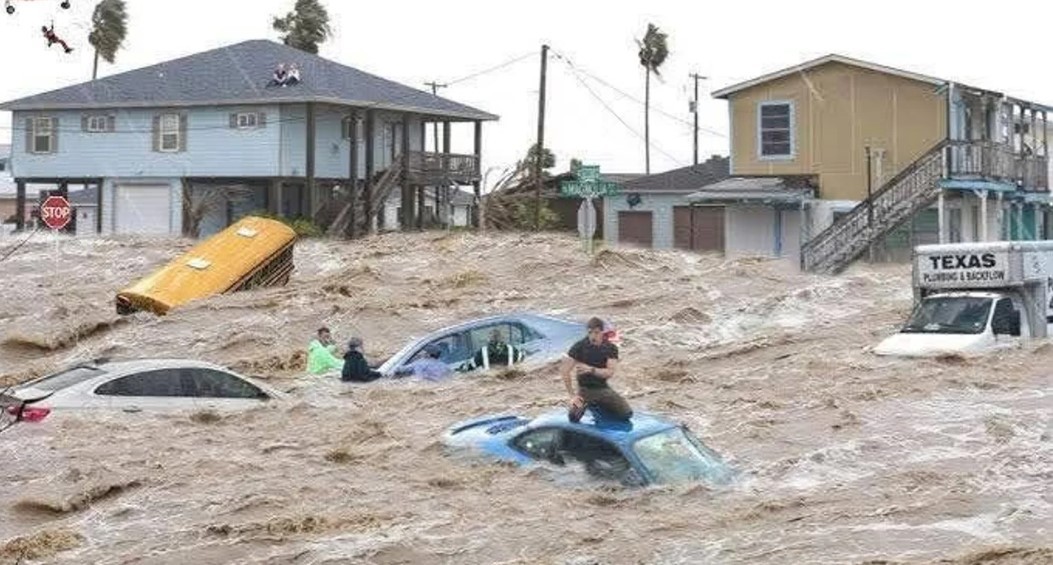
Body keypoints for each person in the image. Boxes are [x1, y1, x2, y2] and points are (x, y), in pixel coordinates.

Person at [560, 317, 632, 422]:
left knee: (626, 413)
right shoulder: (579, 347)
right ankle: (588, 405)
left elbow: (609, 372)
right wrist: (572, 396)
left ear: (602, 332)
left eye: (596, 333)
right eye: (590, 333)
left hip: (602, 388)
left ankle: (599, 409)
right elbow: (565, 371)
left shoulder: (610, 348)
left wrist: (591, 369)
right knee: (573, 417)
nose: (593, 336)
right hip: (584, 390)